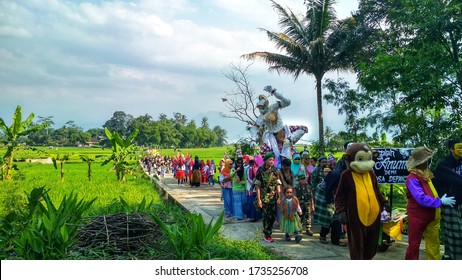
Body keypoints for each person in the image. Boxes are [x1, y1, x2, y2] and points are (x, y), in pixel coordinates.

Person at [335, 143, 388, 259]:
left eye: (369, 158)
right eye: (360, 159)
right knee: (357, 245)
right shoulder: (346, 175)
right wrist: (341, 211)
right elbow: (339, 196)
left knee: (372, 244)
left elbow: (376, 191)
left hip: (374, 216)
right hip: (356, 218)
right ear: (349, 159)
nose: (366, 163)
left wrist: (384, 202)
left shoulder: (371, 174)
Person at [404, 146, 456, 260]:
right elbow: (421, 198)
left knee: (434, 244)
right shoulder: (412, 178)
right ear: (422, 161)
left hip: (431, 215)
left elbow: (431, 191)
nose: (429, 161)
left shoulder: (425, 174)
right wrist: (440, 201)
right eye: (427, 159)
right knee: (414, 245)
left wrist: (440, 197)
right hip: (417, 217)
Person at [248, 85, 308, 168]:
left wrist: (274, 92)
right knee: (264, 154)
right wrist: (253, 139)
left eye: (263, 107)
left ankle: (295, 170)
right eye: (260, 108)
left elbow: (287, 102)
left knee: (303, 129)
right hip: (272, 137)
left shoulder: (274, 107)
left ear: (266, 105)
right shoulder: (261, 117)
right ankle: (262, 170)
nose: (261, 110)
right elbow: (255, 128)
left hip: (285, 132)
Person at [433, 139, 462, 260]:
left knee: (455, 233)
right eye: (459, 147)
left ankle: (448, 256)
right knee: (455, 234)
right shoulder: (443, 164)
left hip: (460, 202)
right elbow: (453, 179)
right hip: (449, 203)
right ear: (451, 149)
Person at [254, 152, 282, 243]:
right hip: (264, 197)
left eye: (273, 160)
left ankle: (268, 232)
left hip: (273, 197)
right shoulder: (260, 170)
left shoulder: (275, 171)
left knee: (273, 216)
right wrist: (259, 199)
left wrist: (279, 197)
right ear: (265, 161)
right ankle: (267, 234)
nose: (271, 161)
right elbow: (257, 186)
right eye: (270, 160)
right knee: (266, 216)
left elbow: (278, 184)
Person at [245, 157, 261, 222]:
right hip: (252, 188)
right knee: (252, 203)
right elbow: (249, 178)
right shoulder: (249, 169)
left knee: (253, 203)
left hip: (253, 188)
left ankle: (254, 216)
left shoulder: (256, 168)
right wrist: (254, 184)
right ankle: (253, 216)